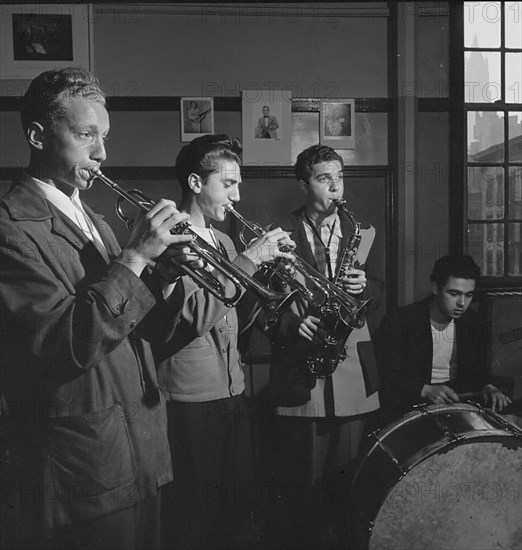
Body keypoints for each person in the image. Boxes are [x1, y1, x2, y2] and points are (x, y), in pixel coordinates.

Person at [0, 67, 198, 550]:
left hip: (140, 450)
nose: (103, 153)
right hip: (83, 467)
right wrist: (133, 260)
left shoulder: (96, 221)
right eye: (87, 135)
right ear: (38, 136)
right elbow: (58, 344)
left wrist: (163, 277)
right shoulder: (10, 229)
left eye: (104, 136)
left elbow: (139, 334)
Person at [153, 134, 295, 550]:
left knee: (231, 518)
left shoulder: (226, 242)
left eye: (238, 184)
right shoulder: (170, 237)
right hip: (189, 399)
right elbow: (194, 317)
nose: (237, 195)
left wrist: (263, 282)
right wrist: (249, 262)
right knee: (194, 517)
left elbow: (233, 320)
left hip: (232, 389)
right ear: (196, 183)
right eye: (228, 183)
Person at [263, 144, 383, 548]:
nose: (336, 187)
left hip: (352, 372)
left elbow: (382, 290)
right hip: (301, 370)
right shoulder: (276, 236)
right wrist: (292, 325)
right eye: (324, 179)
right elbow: (260, 305)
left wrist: (367, 286)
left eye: (339, 177)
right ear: (303, 185)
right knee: (301, 486)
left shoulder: (363, 233)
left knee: (347, 480)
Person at [373, 254, 511, 425]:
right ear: (435, 288)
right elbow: (385, 376)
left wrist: (488, 386)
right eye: (454, 293)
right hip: (409, 409)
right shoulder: (401, 320)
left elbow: (477, 371)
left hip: (458, 406)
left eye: (468, 295)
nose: (462, 303)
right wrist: (423, 390)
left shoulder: (473, 322)